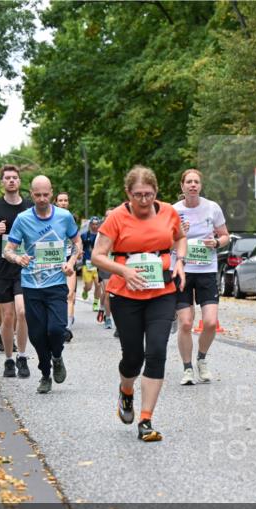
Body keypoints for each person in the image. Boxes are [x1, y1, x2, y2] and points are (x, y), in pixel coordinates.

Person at [91, 166, 186, 441]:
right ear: (128, 193)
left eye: (148, 194)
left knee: (157, 351)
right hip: (125, 294)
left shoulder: (168, 212)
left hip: (162, 291)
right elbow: (98, 255)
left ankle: (146, 420)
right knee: (133, 358)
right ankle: (126, 390)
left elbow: (180, 237)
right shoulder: (116, 218)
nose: (144, 200)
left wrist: (180, 261)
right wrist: (124, 271)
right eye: (138, 195)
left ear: (156, 192)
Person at [3, 176, 81, 394]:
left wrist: (71, 262)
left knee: (56, 329)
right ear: (31, 194)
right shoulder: (23, 219)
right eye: (37, 195)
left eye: (46, 195)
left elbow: (77, 242)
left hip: (56, 283)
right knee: (37, 335)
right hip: (31, 285)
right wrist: (17, 258)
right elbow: (8, 249)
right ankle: (45, 374)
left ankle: (57, 357)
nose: (42, 199)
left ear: (52, 193)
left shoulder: (64, 217)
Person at [174, 169, 230, 385]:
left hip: (206, 270)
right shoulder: (173, 211)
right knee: (186, 323)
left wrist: (216, 242)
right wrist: (178, 233)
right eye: (189, 182)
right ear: (182, 186)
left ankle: (201, 359)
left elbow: (225, 235)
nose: (193, 185)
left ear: (200, 185)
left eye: (196, 182)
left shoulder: (212, 207)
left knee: (210, 322)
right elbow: (163, 243)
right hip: (183, 271)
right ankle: (187, 368)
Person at [0, 164, 33, 378]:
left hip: (23, 267)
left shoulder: (29, 207)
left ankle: (23, 357)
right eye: (7, 178)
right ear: (2, 182)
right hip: (1, 268)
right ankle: (9, 360)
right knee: (8, 316)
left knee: (22, 312)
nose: (11, 180)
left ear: (20, 181)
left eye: (14, 177)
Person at [54, 192, 77, 342]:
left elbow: (77, 242)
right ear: (56, 202)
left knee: (69, 294)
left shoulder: (71, 218)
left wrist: (73, 259)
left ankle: (66, 328)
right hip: (53, 260)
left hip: (68, 260)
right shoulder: (50, 218)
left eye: (65, 200)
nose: (63, 203)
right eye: (60, 200)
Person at [80, 217, 103, 312]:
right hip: (87, 264)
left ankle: (95, 303)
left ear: (99, 225)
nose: (94, 226)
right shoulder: (84, 235)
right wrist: (80, 252)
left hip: (98, 264)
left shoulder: (101, 236)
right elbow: (80, 246)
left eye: (96, 224)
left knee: (98, 285)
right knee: (89, 286)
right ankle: (85, 290)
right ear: (90, 225)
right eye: (93, 224)